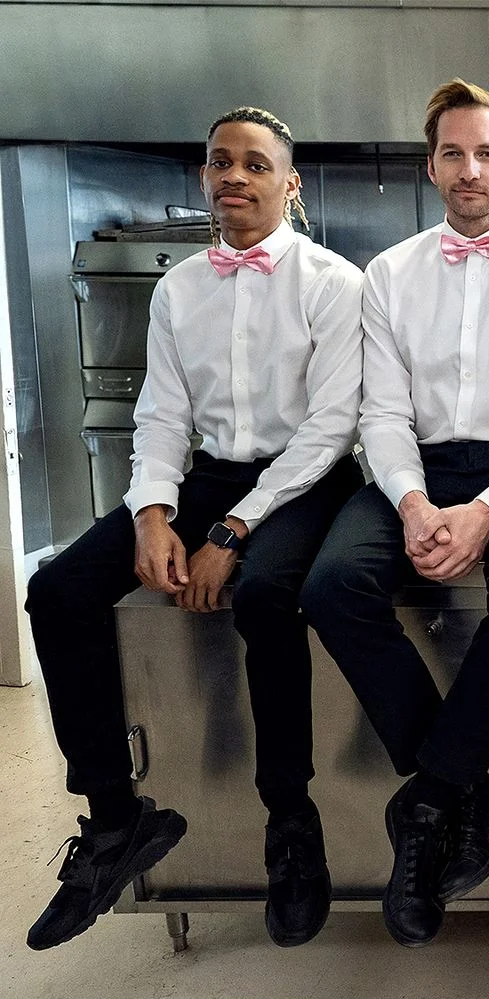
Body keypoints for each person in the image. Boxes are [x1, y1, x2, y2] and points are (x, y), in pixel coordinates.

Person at [25, 107, 363, 950]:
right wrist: (152, 513)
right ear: (203, 180)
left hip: (307, 477)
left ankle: (291, 825)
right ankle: (114, 817)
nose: (235, 177)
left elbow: (330, 429)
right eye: (220, 163)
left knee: (267, 597)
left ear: (290, 184)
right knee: (57, 590)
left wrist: (234, 531)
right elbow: (163, 413)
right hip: (212, 471)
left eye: (255, 164)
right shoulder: (179, 288)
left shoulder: (332, 282)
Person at [300, 79, 489, 948]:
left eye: (487, 153)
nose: (471, 169)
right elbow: (380, 414)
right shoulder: (388, 274)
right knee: (330, 583)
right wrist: (419, 501)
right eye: (454, 154)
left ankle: (428, 801)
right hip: (413, 471)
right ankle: (466, 788)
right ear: (431, 165)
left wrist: (486, 512)